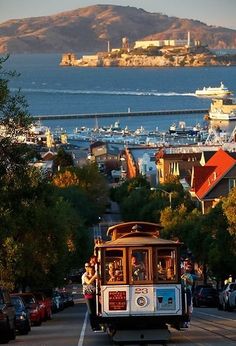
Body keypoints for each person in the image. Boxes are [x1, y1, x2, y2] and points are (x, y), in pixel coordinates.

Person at [81, 263, 101, 332]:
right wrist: (94, 277)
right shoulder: (84, 276)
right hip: (88, 295)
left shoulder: (93, 275)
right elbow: (88, 282)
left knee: (95, 311)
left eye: (92, 269)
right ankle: (93, 326)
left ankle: (97, 325)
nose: (90, 270)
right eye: (87, 267)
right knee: (91, 311)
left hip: (94, 294)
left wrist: (96, 277)